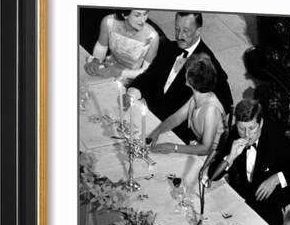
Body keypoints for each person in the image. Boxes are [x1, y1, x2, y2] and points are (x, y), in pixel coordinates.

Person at [129, 12, 233, 143]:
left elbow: (227, 101)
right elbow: (149, 75)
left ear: (198, 31)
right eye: (177, 29)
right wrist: (134, 89)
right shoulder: (169, 47)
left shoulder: (208, 64)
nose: (179, 36)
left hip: (176, 132)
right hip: (149, 113)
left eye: (186, 31)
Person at [208, 99, 290, 225]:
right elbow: (212, 175)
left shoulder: (277, 137)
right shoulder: (234, 134)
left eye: (252, 128)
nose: (246, 134)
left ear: (260, 123)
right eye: (241, 128)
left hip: (272, 205)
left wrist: (277, 178)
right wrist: (231, 157)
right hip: (244, 199)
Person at [148, 53, 226, 156]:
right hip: (198, 146)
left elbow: (206, 149)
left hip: (211, 157)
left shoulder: (211, 110)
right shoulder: (198, 96)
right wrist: (157, 132)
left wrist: (174, 148)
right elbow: (177, 118)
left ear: (191, 80)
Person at [84, 9, 160, 82]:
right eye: (137, 15)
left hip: (132, 77)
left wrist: (119, 72)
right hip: (108, 66)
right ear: (124, 15)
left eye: (145, 14)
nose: (143, 20)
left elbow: (147, 71)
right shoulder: (109, 22)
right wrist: (96, 61)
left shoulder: (152, 37)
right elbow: (101, 47)